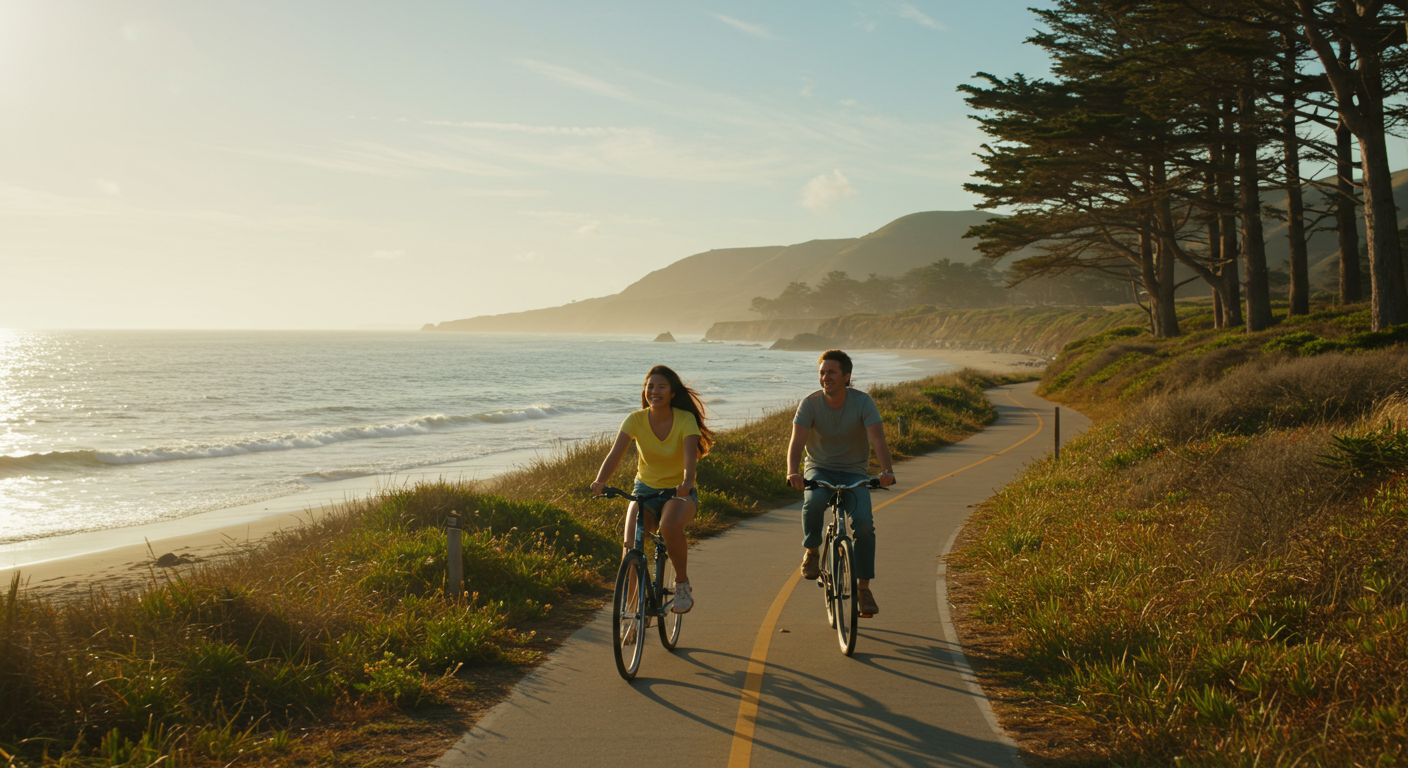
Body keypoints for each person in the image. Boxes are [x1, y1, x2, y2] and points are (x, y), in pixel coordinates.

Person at [591, 364, 714, 614]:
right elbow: (615, 454)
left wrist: (687, 482)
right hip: (644, 491)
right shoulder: (635, 420)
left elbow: (690, 457)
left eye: (661, 386)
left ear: (672, 393)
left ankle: (681, 585)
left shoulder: (684, 419)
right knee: (631, 546)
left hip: (678, 492)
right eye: (650, 386)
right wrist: (600, 480)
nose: (653, 391)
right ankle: (633, 609)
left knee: (669, 527)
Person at [786, 349, 895, 617]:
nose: (825, 377)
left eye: (831, 372)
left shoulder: (863, 402)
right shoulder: (809, 404)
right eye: (822, 372)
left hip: (854, 472)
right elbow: (797, 443)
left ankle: (864, 590)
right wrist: (793, 472)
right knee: (814, 504)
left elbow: (877, 440)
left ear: (846, 376)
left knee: (865, 525)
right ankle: (812, 551)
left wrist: (887, 471)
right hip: (819, 469)